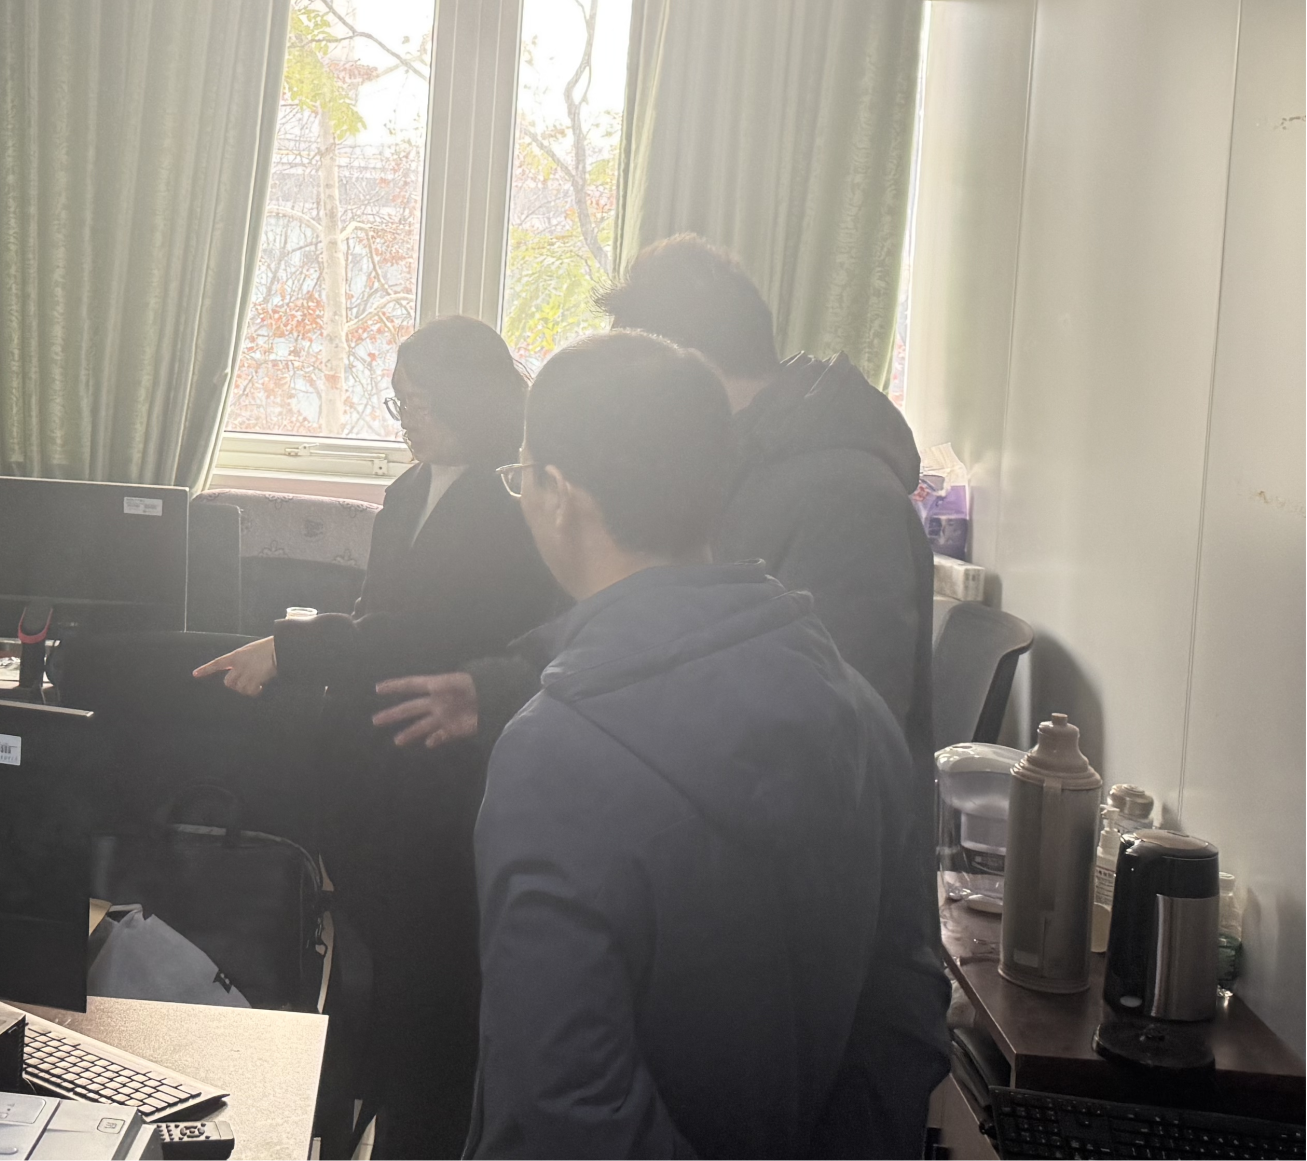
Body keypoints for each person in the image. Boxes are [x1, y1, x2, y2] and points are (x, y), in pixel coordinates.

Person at [467, 331, 949, 1160]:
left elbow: (566, 1100)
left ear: (557, 493)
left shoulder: (555, 753)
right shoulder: (859, 708)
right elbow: (905, 1013)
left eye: (523, 475)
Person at [196, 315, 562, 1161]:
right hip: (372, 780)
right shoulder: (406, 492)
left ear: (470, 399)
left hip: (449, 779)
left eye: (419, 402)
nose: (405, 419)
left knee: (433, 1004)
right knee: (381, 987)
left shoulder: (511, 500)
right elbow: (377, 619)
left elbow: (431, 634)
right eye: (398, 400)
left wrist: (293, 648)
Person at [372, 235, 934, 768]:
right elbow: (627, 625)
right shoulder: (705, 463)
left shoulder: (849, 500)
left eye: (627, 384)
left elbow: (837, 747)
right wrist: (497, 691)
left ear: (685, 370)